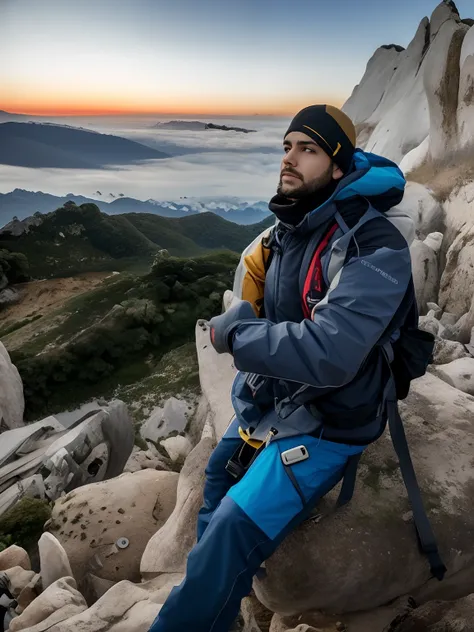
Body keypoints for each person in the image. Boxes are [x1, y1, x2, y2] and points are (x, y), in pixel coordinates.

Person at [148, 104, 416, 632]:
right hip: (277, 402)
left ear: (339, 165)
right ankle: (216, 601)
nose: (289, 159)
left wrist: (239, 335)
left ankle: (199, 605)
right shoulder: (294, 226)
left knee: (228, 530)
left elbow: (333, 351)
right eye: (287, 146)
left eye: (308, 149)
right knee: (217, 478)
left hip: (331, 420)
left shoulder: (374, 246)